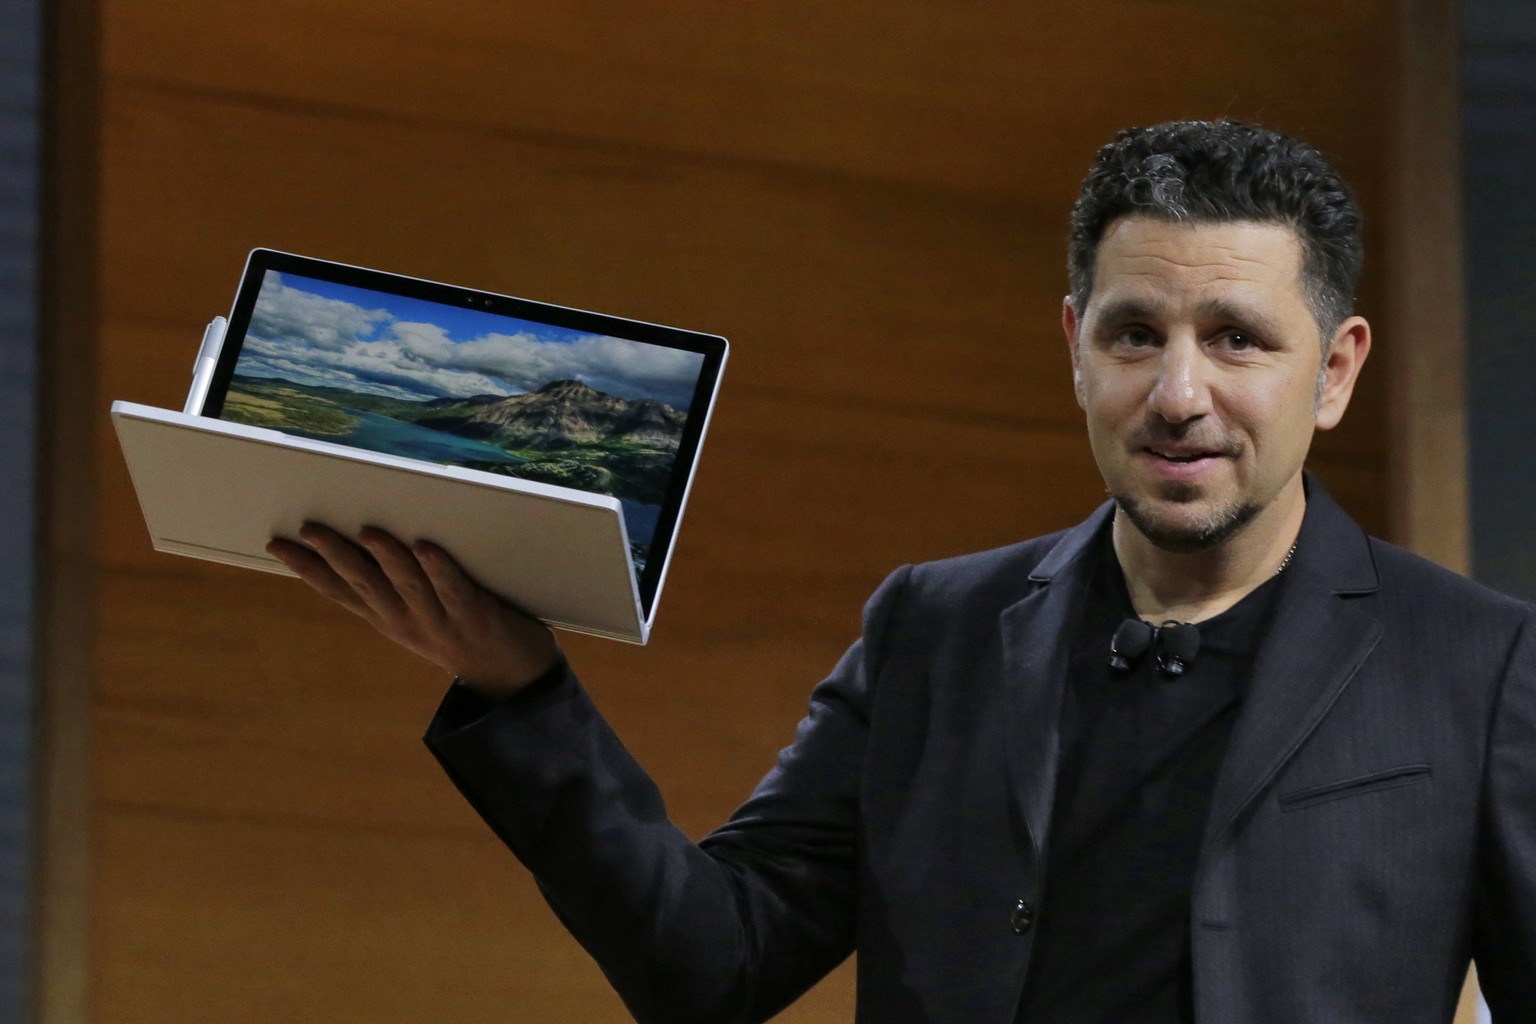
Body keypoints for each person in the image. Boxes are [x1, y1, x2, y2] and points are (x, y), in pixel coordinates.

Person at [267, 121, 1536, 1023]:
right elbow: (712, 965)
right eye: (1135, 333)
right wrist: (520, 685)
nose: (1179, 393)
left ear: (1337, 370)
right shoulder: (936, 626)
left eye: (1238, 340)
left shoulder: (1475, 666)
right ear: (1075, 348)